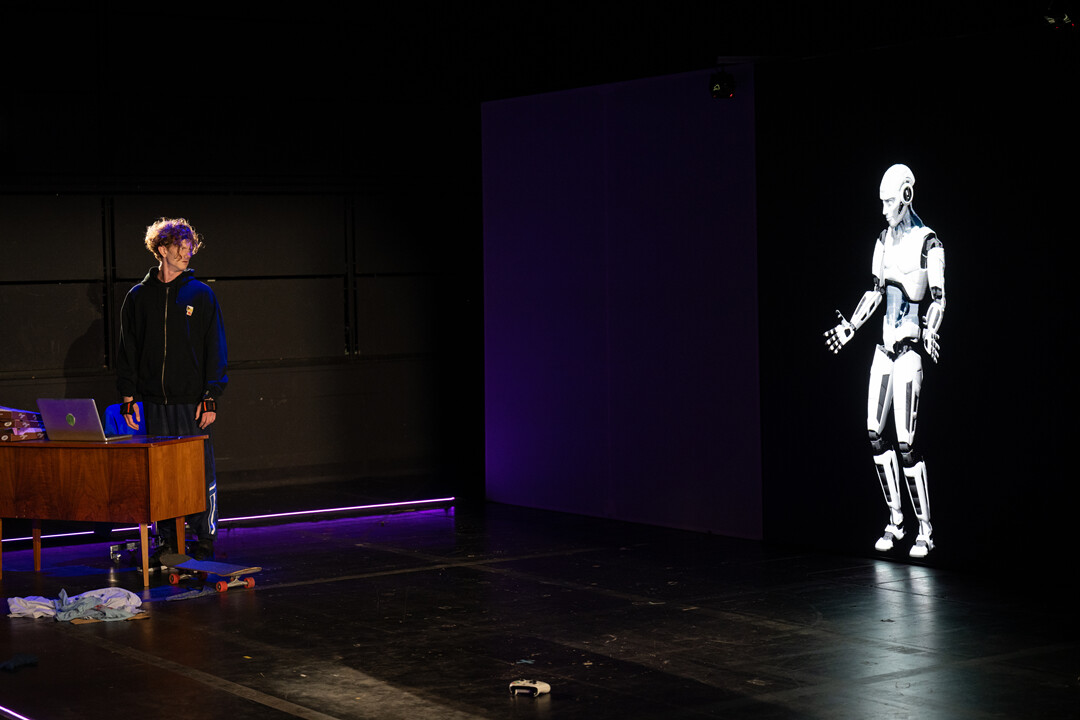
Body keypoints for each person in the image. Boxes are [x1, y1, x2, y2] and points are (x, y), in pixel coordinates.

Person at [823, 164, 945, 558]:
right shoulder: (883, 240)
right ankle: (896, 521)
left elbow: (939, 298)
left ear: (906, 196)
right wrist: (851, 326)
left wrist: (930, 328)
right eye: (882, 202)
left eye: (889, 201)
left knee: (906, 442)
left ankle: (925, 529)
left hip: (908, 351)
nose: (884, 209)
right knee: (875, 434)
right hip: (884, 351)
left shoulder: (929, 244)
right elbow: (875, 291)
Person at [116, 218, 228, 562]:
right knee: (160, 477)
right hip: (152, 402)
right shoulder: (138, 297)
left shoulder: (201, 294)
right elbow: (128, 350)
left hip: (191, 402)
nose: (187, 253)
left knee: (198, 473)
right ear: (162, 249)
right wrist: (128, 397)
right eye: (180, 247)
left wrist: (210, 396)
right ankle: (166, 540)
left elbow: (215, 348)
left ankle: (204, 537)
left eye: (190, 248)